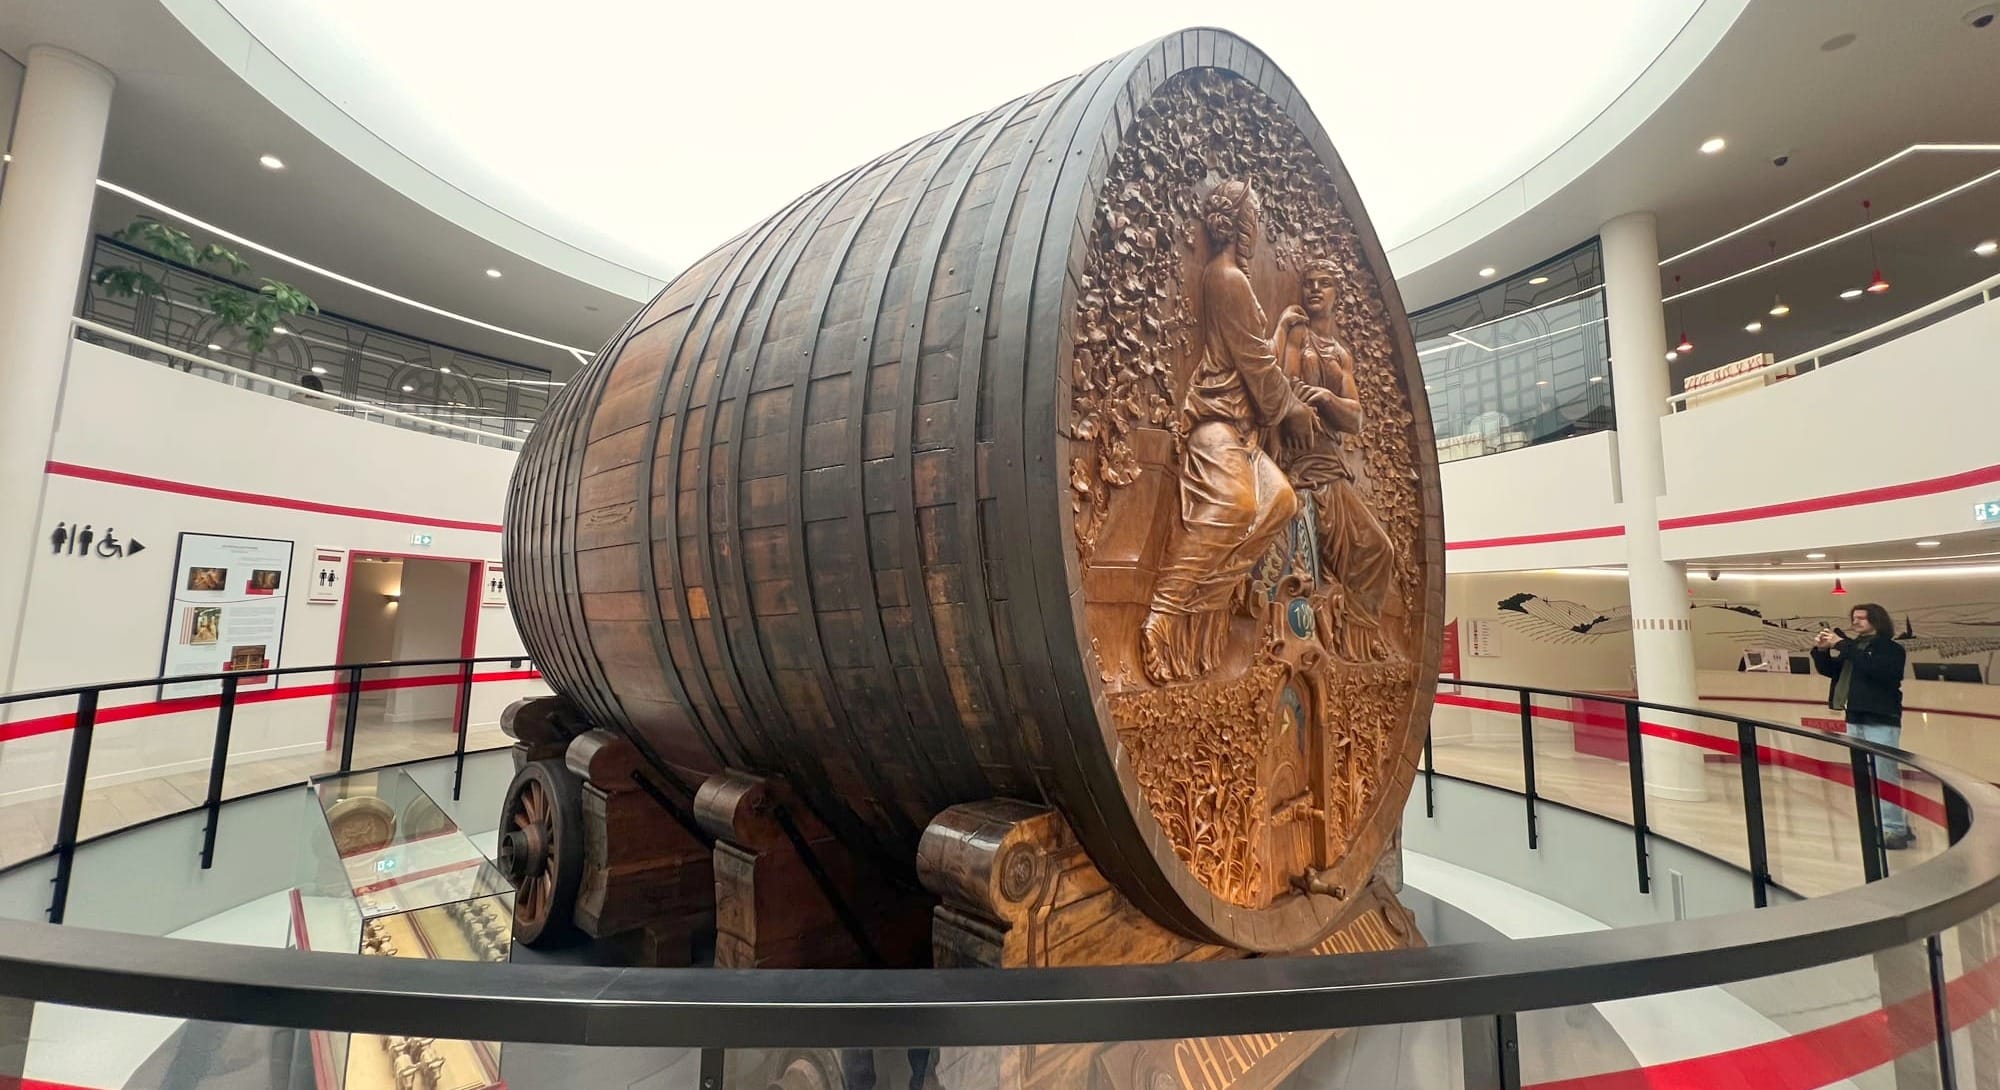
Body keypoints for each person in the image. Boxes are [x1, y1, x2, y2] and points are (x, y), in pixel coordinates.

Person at [1141, 179, 1316, 683]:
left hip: (1244, 430)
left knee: (1280, 501)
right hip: (1215, 420)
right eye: (1253, 220)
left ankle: (1206, 601)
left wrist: (1281, 333)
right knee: (1235, 506)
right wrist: (1290, 408)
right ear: (1237, 225)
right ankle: (1162, 613)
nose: (1256, 231)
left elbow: (1256, 353)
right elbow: (1255, 365)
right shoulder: (1226, 278)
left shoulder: (1237, 279)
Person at [1273, 257, 1398, 661]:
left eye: (1324, 283)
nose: (1314, 289)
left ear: (1336, 294)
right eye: (1309, 282)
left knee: (1378, 548)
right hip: (1301, 460)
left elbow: (1355, 418)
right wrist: (1313, 404)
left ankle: (1357, 638)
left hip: (1331, 465)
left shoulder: (1341, 354)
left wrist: (1327, 398)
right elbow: (1287, 386)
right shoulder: (1298, 335)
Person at [1811, 602, 1912, 849]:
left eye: (1861, 618)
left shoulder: (1890, 649)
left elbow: (1875, 669)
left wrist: (1843, 645)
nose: (1855, 622)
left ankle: (1894, 829)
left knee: (1884, 774)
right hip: (1855, 716)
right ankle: (1891, 823)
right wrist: (1822, 651)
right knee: (1867, 775)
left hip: (1880, 717)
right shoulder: (1855, 647)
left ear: (1876, 621)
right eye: (1854, 618)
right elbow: (1832, 671)